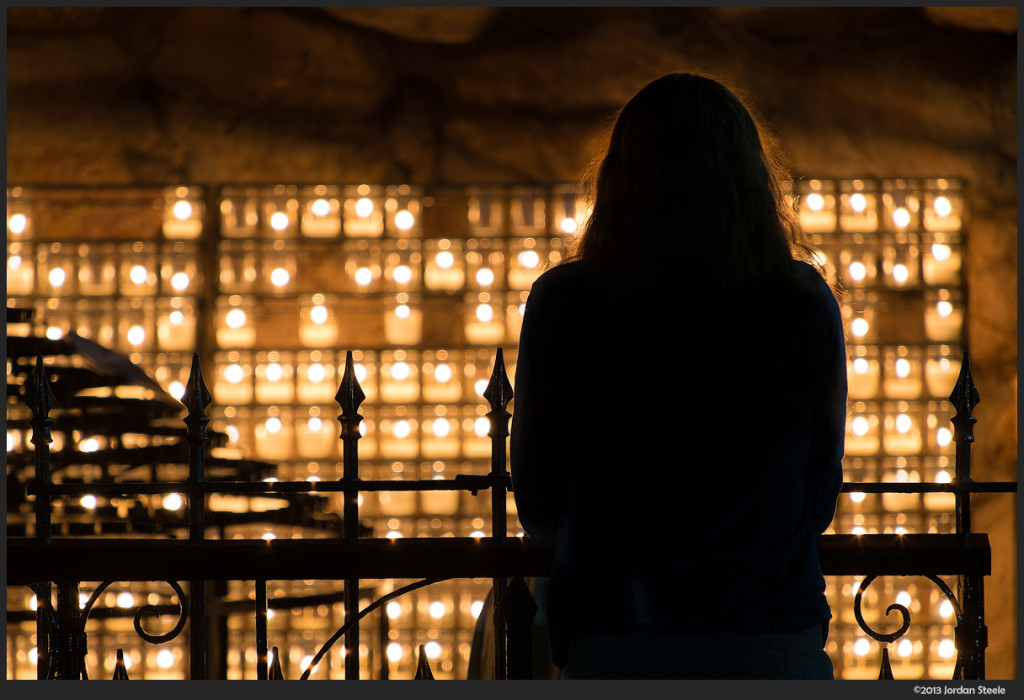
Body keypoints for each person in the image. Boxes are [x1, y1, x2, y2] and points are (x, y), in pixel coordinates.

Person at [509, 73, 847, 680]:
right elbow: (818, 499)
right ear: (750, 184)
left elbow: (537, 507)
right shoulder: (801, 304)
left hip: (615, 641)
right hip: (771, 640)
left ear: (618, 181)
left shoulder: (563, 304)